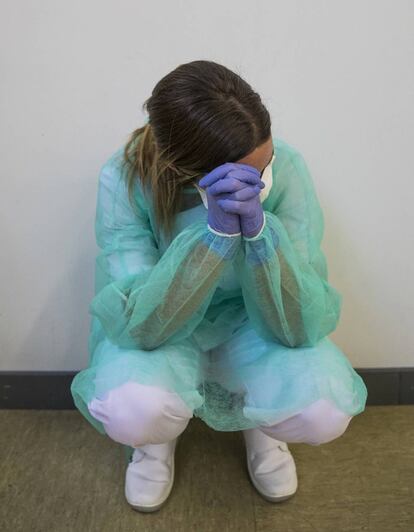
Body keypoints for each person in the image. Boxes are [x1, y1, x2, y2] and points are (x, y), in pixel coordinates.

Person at [70, 59, 368, 513]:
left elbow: (299, 322)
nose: (262, 182)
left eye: (263, 167)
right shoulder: (124, 179)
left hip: (255, 322)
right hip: (166, 328)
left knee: (322, 409)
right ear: (187, 170)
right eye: (247, 175)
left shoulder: (286, 168)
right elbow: (141, 325)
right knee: (133, 407)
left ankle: (263, 426)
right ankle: (153, 445)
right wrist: (211, 240)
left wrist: (262, 237)